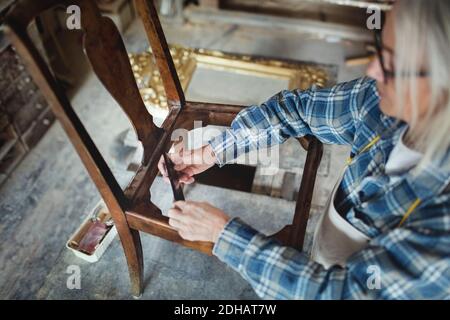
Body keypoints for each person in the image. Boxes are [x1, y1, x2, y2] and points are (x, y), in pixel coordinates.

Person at [158, 0, 450, 299]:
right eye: (380, 48)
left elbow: (342, 293)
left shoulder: (443, 222)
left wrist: (224, 235)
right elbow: (296, 111)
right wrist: (212, 151)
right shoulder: (378, 102)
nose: (373, 69)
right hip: (326, 252)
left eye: (393, 62)